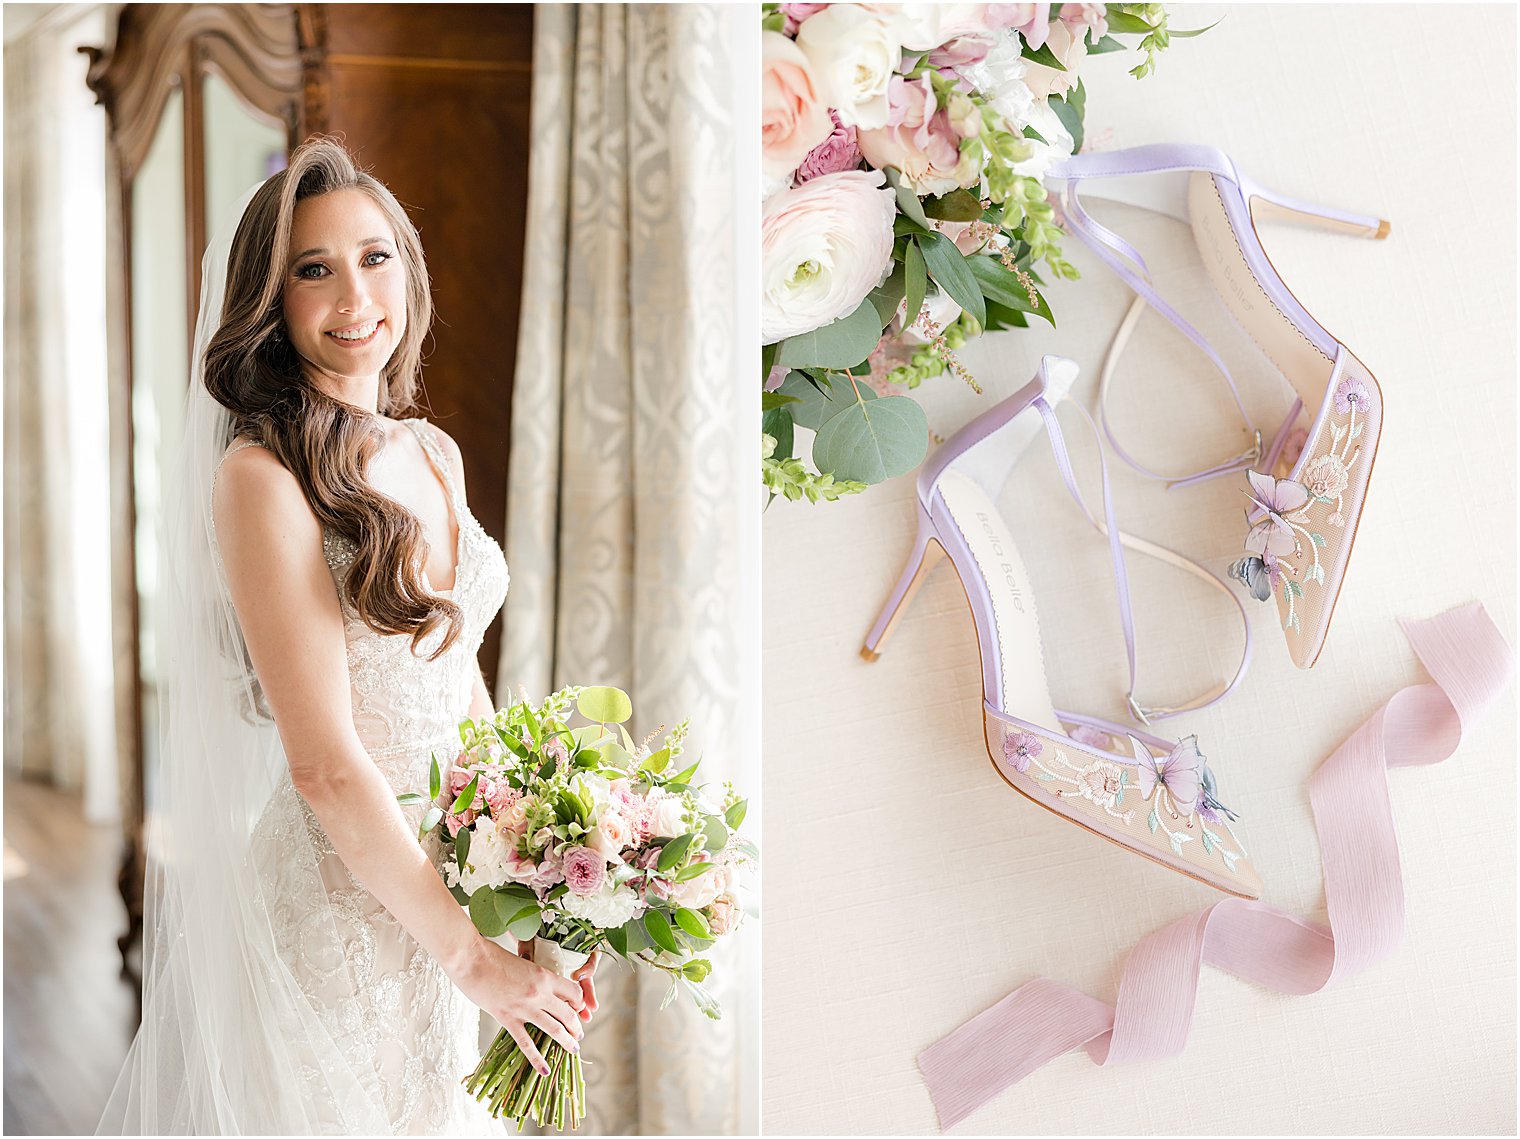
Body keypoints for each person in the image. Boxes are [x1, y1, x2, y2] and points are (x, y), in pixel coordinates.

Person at [99, 136, 596, 1134]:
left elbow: (462, 684)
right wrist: (468, 957)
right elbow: (325, 764)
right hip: (345, 907)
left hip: (458, 880)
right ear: (270, 305)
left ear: (406, 270)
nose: (354, 295)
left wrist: (545, 870)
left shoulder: (430, 451)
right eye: (313, 271)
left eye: (374, 257)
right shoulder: (261, 479)